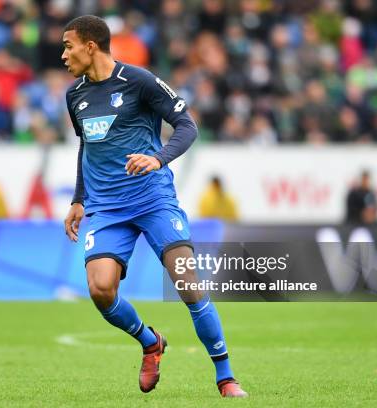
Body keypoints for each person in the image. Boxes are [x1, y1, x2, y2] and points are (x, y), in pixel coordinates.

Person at [62, 15, 247, 398]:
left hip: (152, 198)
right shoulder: (75, 95)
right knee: (100, 289)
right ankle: (150, 342)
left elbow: (187, 126)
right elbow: (86, 147)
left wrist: (158, 158)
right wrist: (80, 199)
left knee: (187, 284)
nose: (64, 55)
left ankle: (226, 376)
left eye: (69, 46)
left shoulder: (140, 82)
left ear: (91, 46)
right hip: (108, 208)